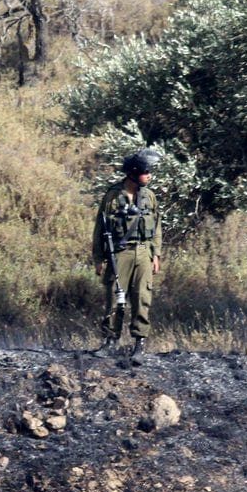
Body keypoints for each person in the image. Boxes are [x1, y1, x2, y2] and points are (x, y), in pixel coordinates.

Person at [92, 149, 162, 365]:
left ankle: (139, 344)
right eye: (145, 172)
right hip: (119, 253)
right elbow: (100, 227)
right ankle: (110, 340)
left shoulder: (149, 196)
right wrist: (98, 257)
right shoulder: (113, 196)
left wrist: (156, 254)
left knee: (142, 297)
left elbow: (157, 227)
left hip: (143, 252)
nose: (149, 175)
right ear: (133, 173)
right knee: (115, 296)